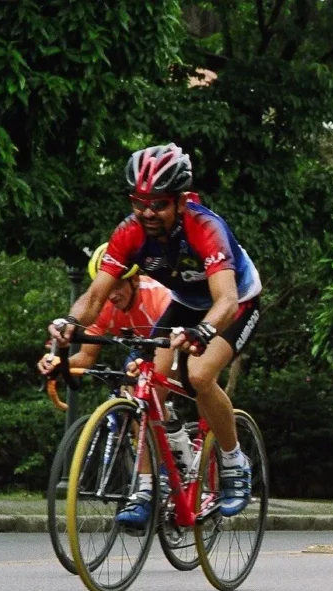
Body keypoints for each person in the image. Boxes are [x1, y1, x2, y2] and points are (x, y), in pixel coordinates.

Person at [48, 143, 262, 524]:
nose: (147, 213)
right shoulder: (129, 233)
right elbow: (95, 296)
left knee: (198, 375)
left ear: (181, 201)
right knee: (150, 387)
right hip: (185, 302)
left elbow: (226, 301)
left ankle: (233, 462)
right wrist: (69, 323)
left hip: (235, 303)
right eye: (138, 202)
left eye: (159, 204)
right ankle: (148, 487)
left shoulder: (205, 227)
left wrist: (204, 331)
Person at [38, 243, 171, 375]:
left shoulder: (159, 297)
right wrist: (59, 363)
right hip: (143, 348)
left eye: (118, 286)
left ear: (135, 280)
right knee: (130, 381)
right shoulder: (103, 307)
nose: (112, 296)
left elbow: (171, 349)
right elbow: (86, 356)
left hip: (176, 345)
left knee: (154, 379)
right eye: (108, 289)